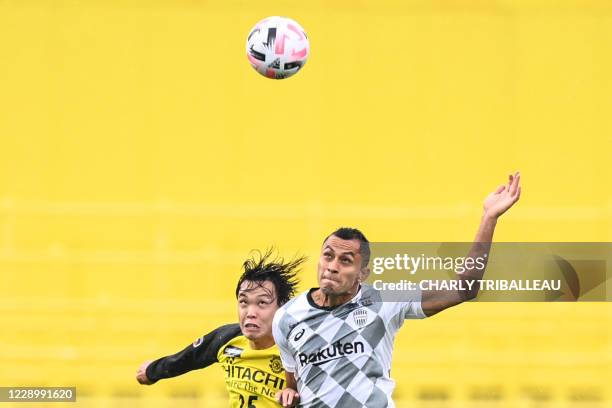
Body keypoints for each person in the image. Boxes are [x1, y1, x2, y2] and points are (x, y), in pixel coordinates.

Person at [273, 172, 522, 408]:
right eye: (328, 256)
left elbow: (465, 288)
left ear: (363, 274)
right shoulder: (287, 317)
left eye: (345, 260)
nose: (332, 267)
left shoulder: (385, 300)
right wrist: (288, 394)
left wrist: (488, 218)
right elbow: (294, 386)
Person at [136, 250, 303, 408]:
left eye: (262, 303)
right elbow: (187, 358)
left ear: (281, 308)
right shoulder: (227, 338)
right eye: (244, 302)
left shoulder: (298, 347)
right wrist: (153, 371)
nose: (250, 313)